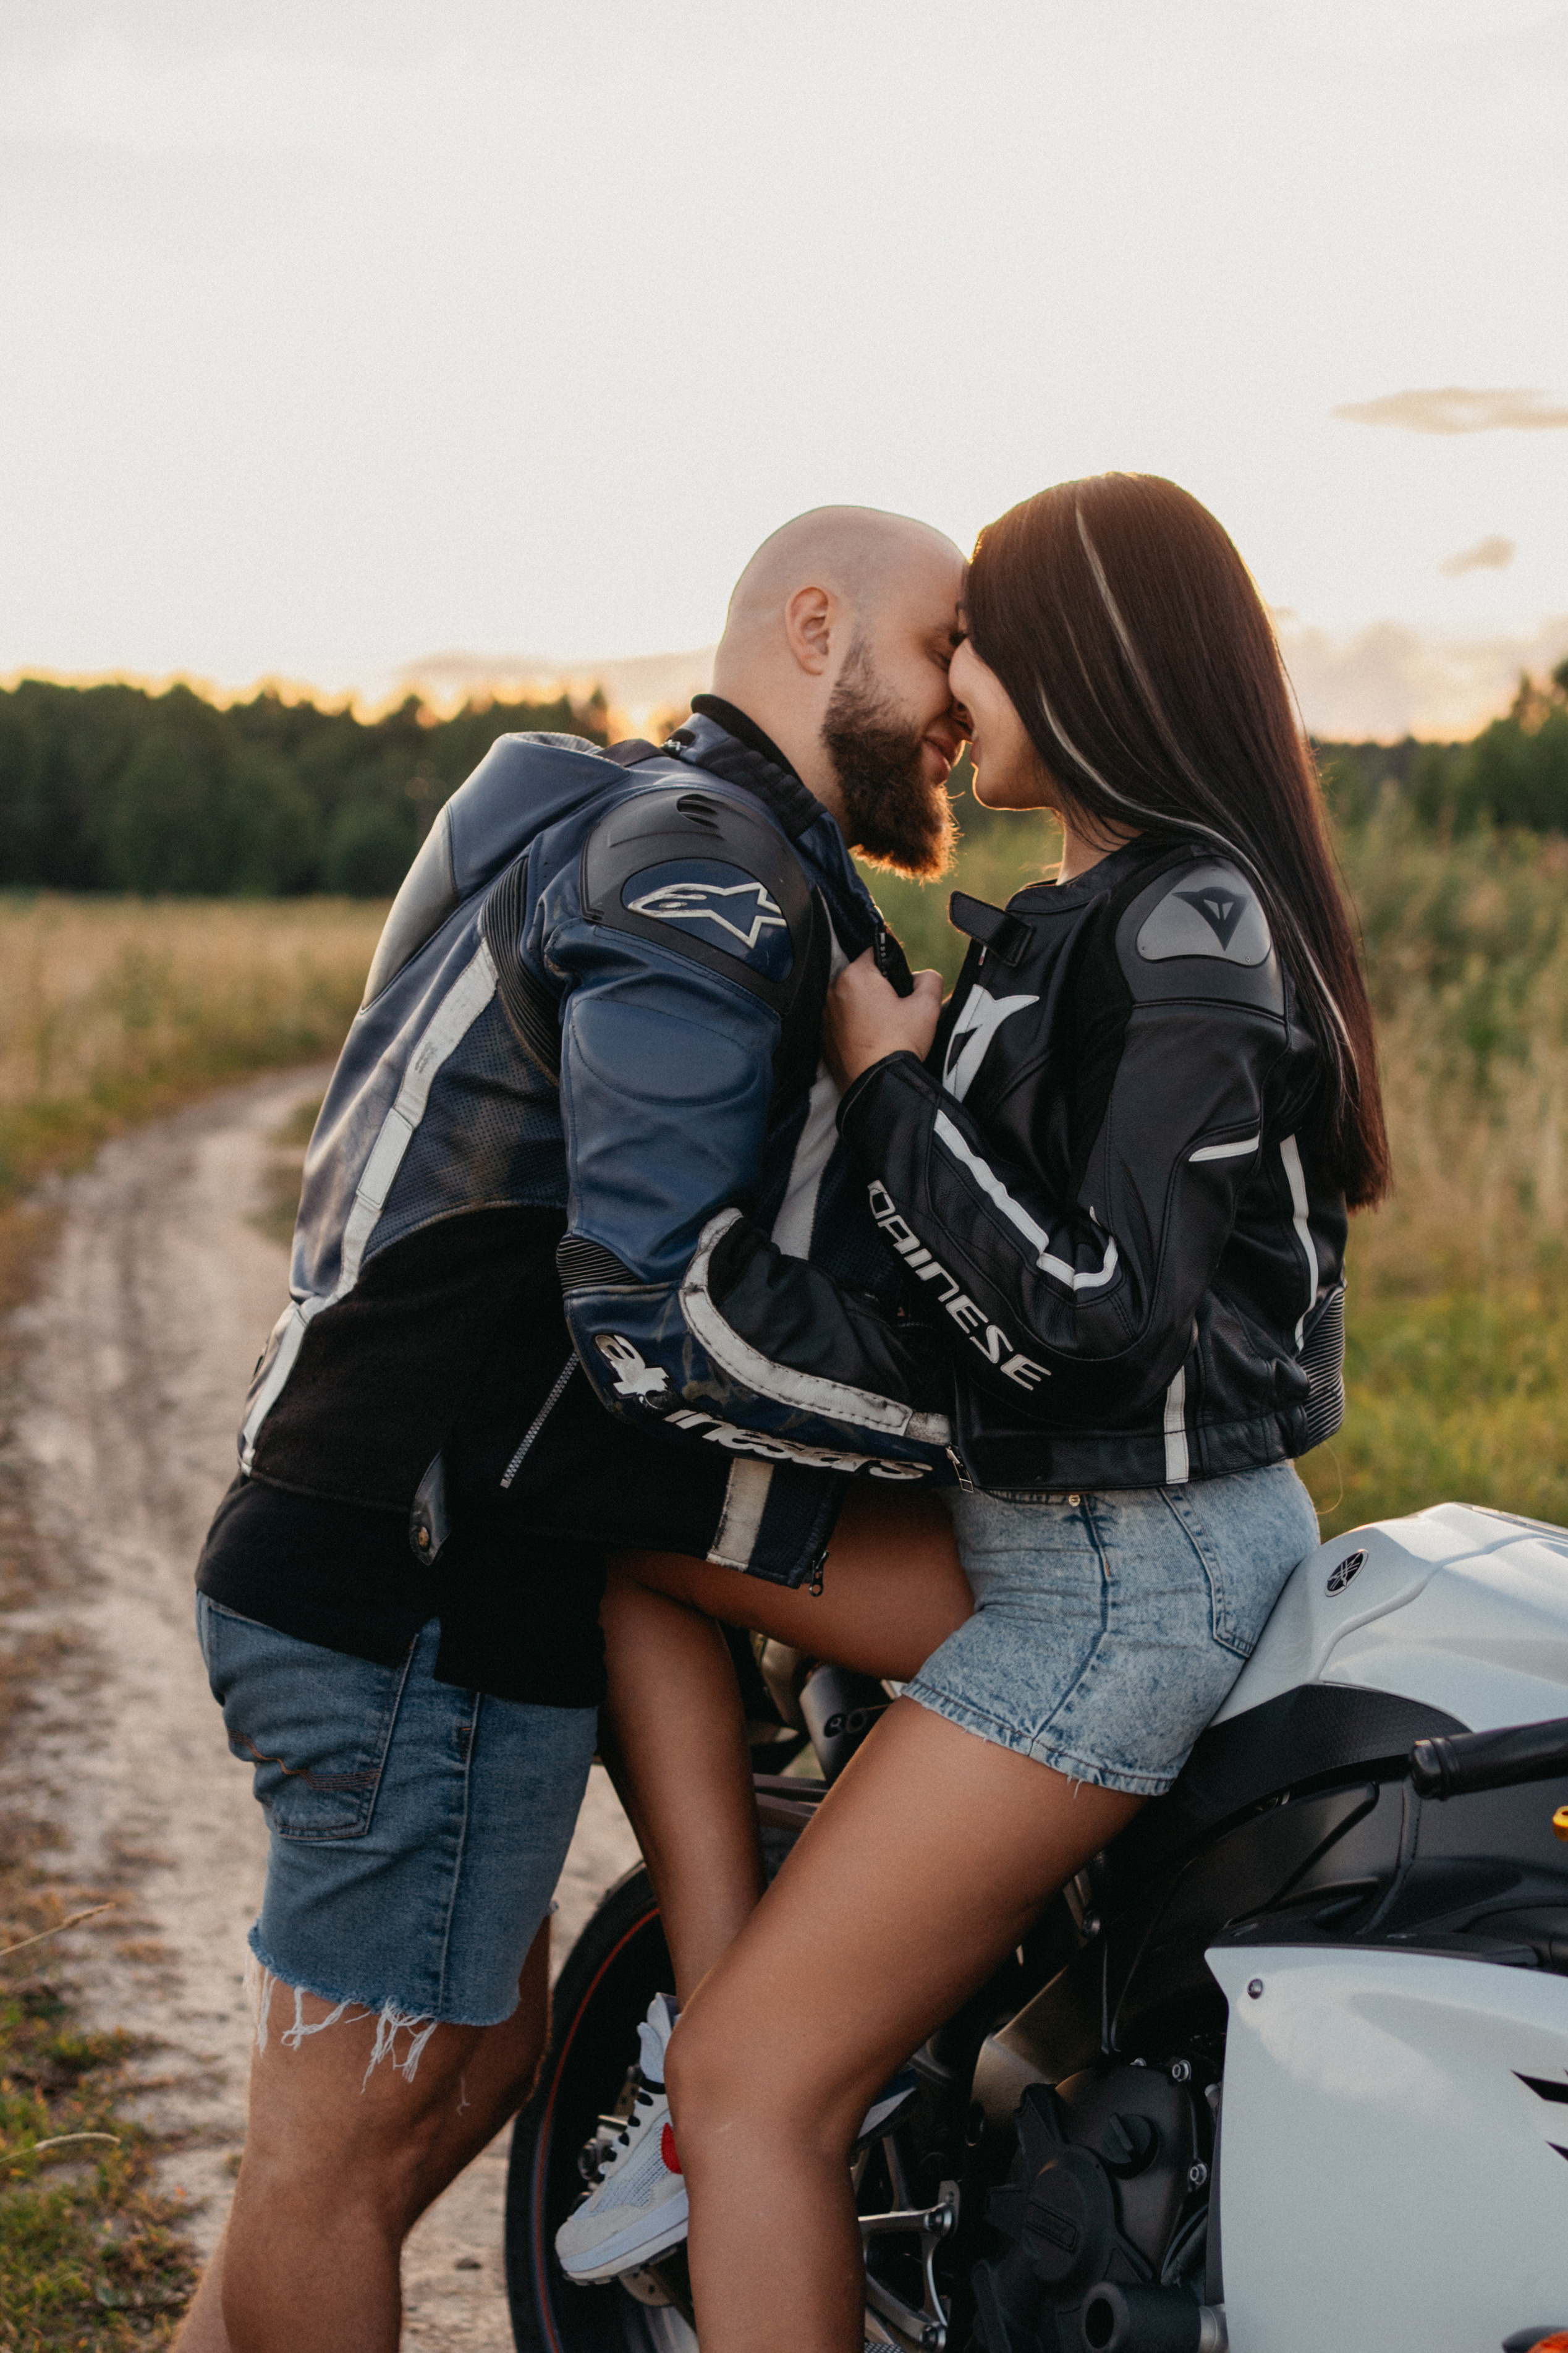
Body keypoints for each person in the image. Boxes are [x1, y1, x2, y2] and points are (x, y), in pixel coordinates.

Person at [554, 472, 1389, 2351]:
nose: (947, 686)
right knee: (622, 1535)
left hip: (1126, 1587)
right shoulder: (1091, 913)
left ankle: (737, 2062)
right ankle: (718, 1988)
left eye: (975, 636)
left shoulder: (1187, 924)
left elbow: (1090, 1313)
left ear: (1084, 656)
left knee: (767, 2098)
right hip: (1052, 1556)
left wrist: (889, 1087)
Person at [174, 505, 977, 2353]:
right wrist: (971, 1431)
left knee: (457, 2084)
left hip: (459, 1563)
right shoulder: (700, 867)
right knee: (341, 2145)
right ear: (810, 624)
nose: (957, 709)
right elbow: (662, 1310)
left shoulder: (645, 822)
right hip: (404, 1576)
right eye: (941, 648)